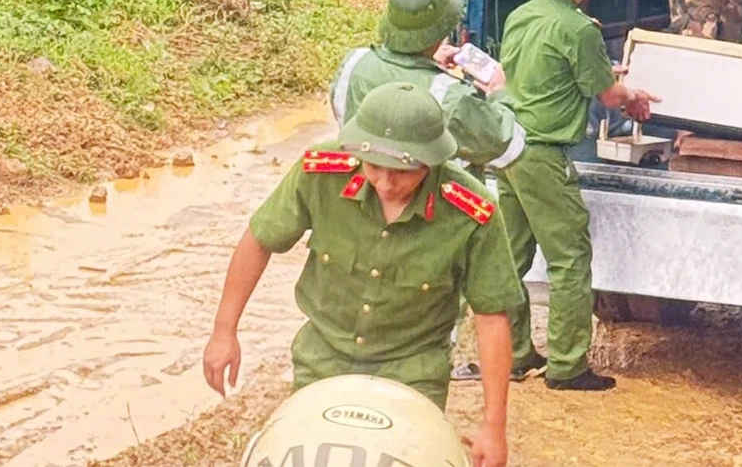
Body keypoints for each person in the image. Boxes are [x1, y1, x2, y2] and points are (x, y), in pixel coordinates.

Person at [202, 82, 522, 467]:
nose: (385, 183)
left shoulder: (470, 211)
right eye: (373, 167)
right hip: (323, 359)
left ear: (431, 161)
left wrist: (493, 426)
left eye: (402, 172)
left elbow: (491, 316)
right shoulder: (320, 173)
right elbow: (260, 239)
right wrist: (224, 331)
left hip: (412, 372)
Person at [499, 0, 660, 391]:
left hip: (507, 146)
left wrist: (604, 75)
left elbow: (546, 70)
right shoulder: (579, 28)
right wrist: (631, 94)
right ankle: (568, 365)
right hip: (543, 154)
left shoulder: (522, 15)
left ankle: (512, 354)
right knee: (569, 258)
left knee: (510, 257)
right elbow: (607, 95)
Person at [330, 0, 525, 173]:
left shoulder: (353, 62)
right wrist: (498, 92)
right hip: (429, 192)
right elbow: (510, 148)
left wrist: (426, 60)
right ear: (442, 32)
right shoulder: (449, 97)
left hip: (361, 185)